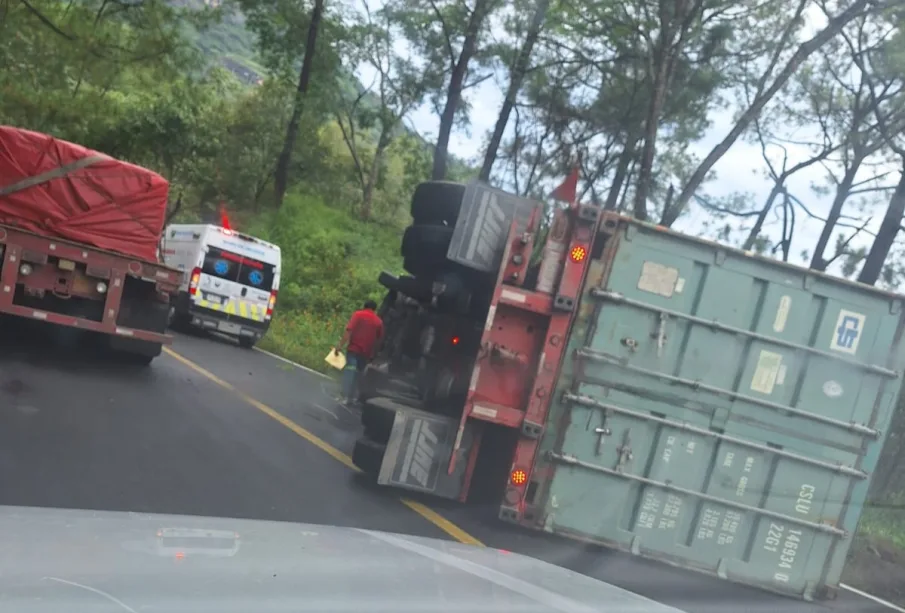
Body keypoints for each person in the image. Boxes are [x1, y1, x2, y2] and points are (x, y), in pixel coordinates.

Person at [335, 299, 384, 405]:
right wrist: (374, 355)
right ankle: (352, 398)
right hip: (366, 353)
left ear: (364, 306)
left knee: (349, 371)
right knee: (358, 374)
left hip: (353, 349)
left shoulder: (358, 315)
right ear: (374, 309)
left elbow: (349, 331)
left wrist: (339, 346)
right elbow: (379, 340)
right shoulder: (378, 321)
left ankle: (344, 396)